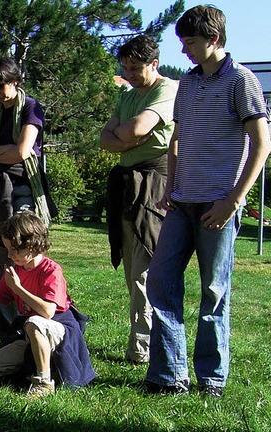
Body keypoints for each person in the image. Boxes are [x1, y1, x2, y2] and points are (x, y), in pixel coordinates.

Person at [145, 5, 271, 398]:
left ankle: (211, 379)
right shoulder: (188, 83)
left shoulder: (241, 81)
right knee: (161, 284)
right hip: (181, 202)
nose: (184, 51)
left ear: (213, 39)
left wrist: (234, 201)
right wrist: (170, 187)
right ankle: (169, 377)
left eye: (191, 42)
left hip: (218, 204)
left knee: (213, 293)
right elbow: (176, 140)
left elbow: (262, 145)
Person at [100, 35, 178, 364]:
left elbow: (132, 131)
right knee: (132, 268)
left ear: (154, 64)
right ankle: (143, 343)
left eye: (135, 68)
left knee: (146, 268)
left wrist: (128, 134)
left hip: (154, 185)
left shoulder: (167, 90)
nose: (129, 74)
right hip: (126, 186)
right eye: (125, 68)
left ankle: (144, 350)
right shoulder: (128, 96)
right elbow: (106, 139)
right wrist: (129, 135)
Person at [0, 212, 95, 398]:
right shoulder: (16, 272)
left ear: (32, 245)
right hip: (31, 336)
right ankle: (40, 367)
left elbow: (47, 312)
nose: (9, 255)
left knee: (34, 322)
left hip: (60, 331)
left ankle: (44, 382)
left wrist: (18, 288)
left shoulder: (51, 270)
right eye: (7, 249)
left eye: (14, 250)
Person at [0, 56, 55, 325]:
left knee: (24, 249)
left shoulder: (32, 108)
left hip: (24, 189)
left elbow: (23, 151)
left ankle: (32, 311)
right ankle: (4, 319)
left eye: (0, 86)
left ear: (15, 81)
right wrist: (9, 152)